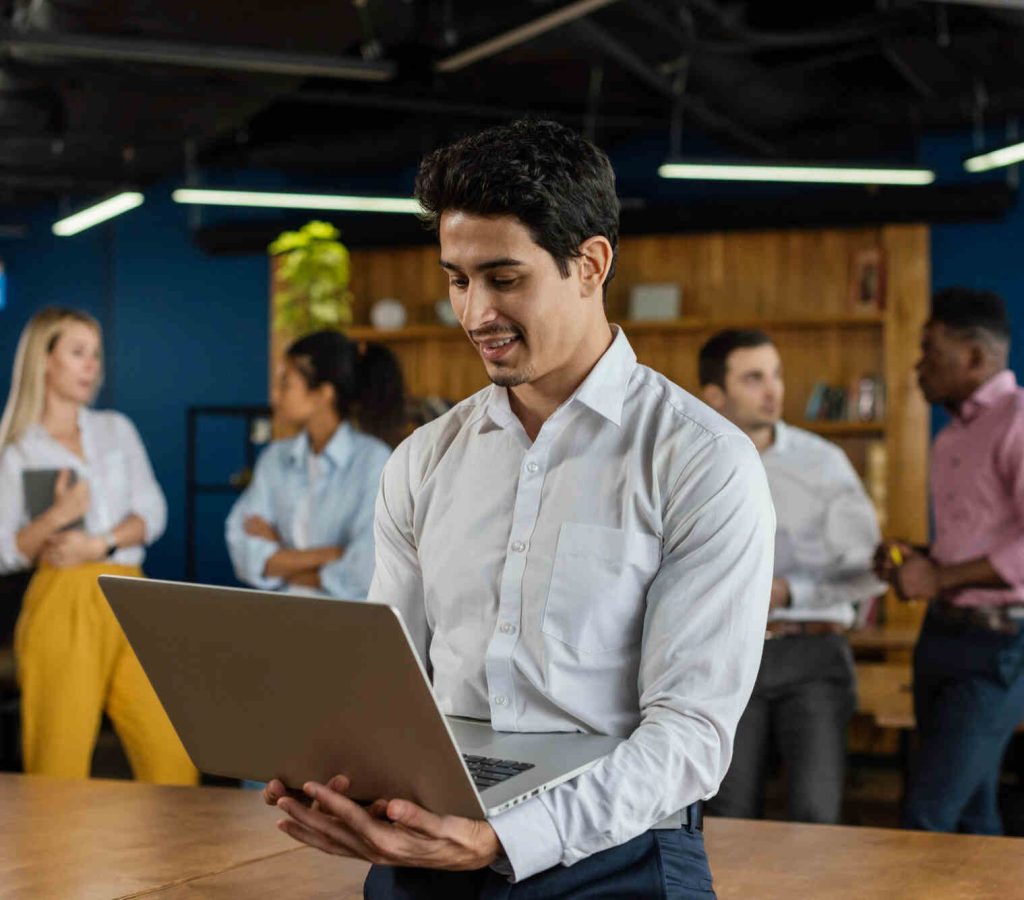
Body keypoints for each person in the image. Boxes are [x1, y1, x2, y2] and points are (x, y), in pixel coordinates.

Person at [262, 119, 775, 897]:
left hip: (620, 857)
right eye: (457, 279)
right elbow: (388, 685)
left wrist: (503, 838)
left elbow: (691, 735)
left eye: (504, 279)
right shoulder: (424, 461)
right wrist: (339, 779)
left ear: (590, 264)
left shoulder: (703, 463)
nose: (474, 315)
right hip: (432, 840)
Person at [0, 307, 195, 783]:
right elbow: (6, 548)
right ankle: (56, 858)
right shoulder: (16, 447)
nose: (92, 365)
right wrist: (55, 517)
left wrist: (98, 543)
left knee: (174, 757)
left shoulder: (115, 428)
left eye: (95, 354)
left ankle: (173, 859)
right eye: (77, 352)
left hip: (132, 594)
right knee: (57, 763)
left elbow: (153, 513)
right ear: (44, 360)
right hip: (62, 600)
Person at [698, 330, 885, 824]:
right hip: (727, 653)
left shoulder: (823, 463)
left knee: (814, 816)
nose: (773, 390)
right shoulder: (691, 461)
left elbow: (871, 572)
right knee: (728, 815)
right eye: (754, 378)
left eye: (776, 375)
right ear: (714, 395)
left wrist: (789, 591)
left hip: (813, 655)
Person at [876, 287, 1024, 835]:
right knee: (969, 815)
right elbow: (975, 542)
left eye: (930, 350)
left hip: (1000, 647)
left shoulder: (1017, 419)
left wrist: (937, 576)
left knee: (926, 814)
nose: (918, 366)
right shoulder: (952, 437)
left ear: (977, 358)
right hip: (942, 638)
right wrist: (918, 557)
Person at [225, 330, 403, 599]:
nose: (274, 395)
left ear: (323, 393)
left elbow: (364, 570)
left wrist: (280, 553)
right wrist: (330, 554)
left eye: (285, 384)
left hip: (351, 623)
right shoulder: (274, 459)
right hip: (281, 615)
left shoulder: (374, 461)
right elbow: (241, 547)